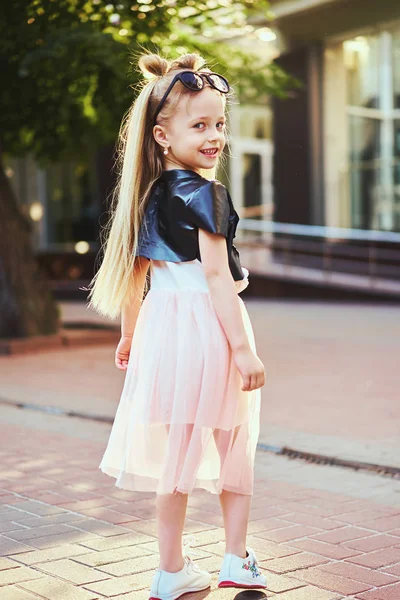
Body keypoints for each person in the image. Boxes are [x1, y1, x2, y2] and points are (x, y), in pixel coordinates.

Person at [87, 51, 266, 600]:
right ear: (163, 134)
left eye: (220, 124)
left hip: (165, 333)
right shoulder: (205, 193)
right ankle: (236, 559)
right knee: (232, 442)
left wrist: (129, 335)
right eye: (200, 125)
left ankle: (171, 570)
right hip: (210, 330)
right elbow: (216, 280)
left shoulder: (146, 195)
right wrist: (244, 351)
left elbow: (138, 277)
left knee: (178, 456)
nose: (215, 136)